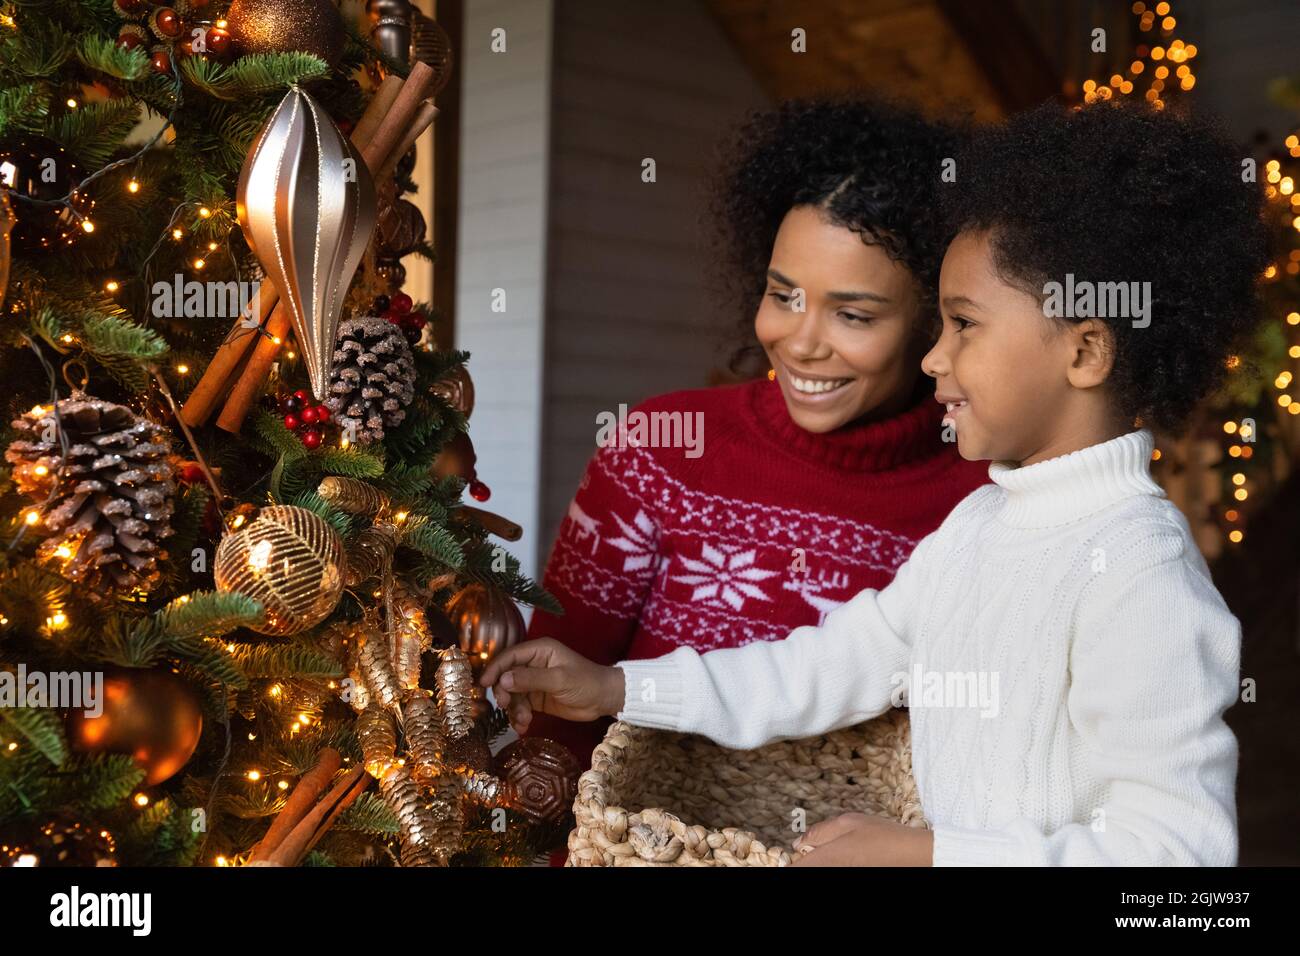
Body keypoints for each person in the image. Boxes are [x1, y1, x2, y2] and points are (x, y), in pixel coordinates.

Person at [488, 99, 1266, 865]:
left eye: (963, 324)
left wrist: (930, 856)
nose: (935, 357)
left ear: (1087, 352)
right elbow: (820, 668)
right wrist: (618, 689)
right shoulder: (980, 528)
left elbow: (1179, 865)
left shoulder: (1140, 574)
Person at [520, 96, 989, 798]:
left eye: (853, 314)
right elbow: (556, 709)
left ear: (936, 321)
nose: (801, 341)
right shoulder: (659, 450)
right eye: (783, 295)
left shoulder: (981, 504)